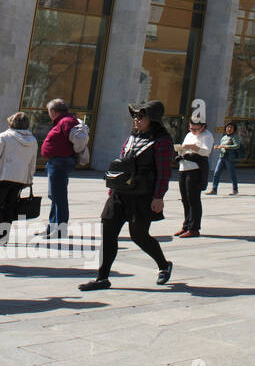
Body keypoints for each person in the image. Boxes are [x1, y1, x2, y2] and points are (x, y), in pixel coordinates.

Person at [79, 101, 174, 291]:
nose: (136, 120)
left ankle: (164, 265)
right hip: (119, 194)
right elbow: (123, 163)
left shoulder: (162, 141)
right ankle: (102, 278)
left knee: (139, 235)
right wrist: (113, 187)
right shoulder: (132, 137)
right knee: (108, 233)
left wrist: (159, 196)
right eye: (135, 116)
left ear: (152, 119)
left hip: (143, 195)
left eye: (141, 117)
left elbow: (164, 172)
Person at [39, 99, 85, 241]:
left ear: (53, 111)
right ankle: (52, 227)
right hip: (57, 162)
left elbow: (79, 139)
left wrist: (75, 153)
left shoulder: (66, 121)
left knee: (59, 197)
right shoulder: (65, 121)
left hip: (60, 162)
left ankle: (59, 229)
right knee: (55, 196)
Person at [0, 112, 39, 246]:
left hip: (3, 176)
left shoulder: (4, 137)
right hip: (20, 178)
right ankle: (3, 237)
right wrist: (29, 179)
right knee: (9, 208)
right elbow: (32, 162)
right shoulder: (32, 140)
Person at [174, 116, 214, 238]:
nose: (193, 131)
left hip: (196, 169)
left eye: (196, 129)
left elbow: (206, 152)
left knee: (193, 199)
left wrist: (193, 147)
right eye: (191, 128)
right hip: (184, 167)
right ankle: (186, 225)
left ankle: (194, 228)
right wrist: (180, 150)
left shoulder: (207, 135)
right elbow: (184, 148)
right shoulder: (189, 134)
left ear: (203, 126)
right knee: (185, 199)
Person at [208, 123, 242, 195]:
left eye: (231, 128)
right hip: (222, 157)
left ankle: (235, 190)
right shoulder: (224, 137)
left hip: (230, 158)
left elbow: (237, 146)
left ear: (234, 129)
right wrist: (218, 147)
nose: (229, 129)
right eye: (228, 127)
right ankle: (214, 189)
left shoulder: (234, 137)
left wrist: (225, 146)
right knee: (216, 173)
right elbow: (221, 146)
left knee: (232, 174)